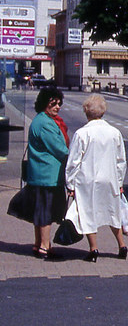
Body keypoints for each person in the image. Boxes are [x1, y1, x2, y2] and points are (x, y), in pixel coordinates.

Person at [65, 94, 128, 262]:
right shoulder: (114, 133)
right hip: (110, 179)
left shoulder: (81, 134)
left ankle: (93, 249)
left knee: (87, 213)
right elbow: (121, 161)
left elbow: (74, 162)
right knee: (112, 211)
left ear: (86, 112)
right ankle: (122, 245)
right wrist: (119, 182)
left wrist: (70, 185)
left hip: (88, 180)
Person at [23, 88, 70, 259]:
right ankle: (45, 247)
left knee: (41, 211)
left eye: (59, 103)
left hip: (41, 174)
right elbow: (60, 150)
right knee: (46, 212)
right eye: (53, 103)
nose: (57, 107)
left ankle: (39, 245)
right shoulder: (46, 124)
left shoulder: (41, 120)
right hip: (48, 176)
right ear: (45, 104)